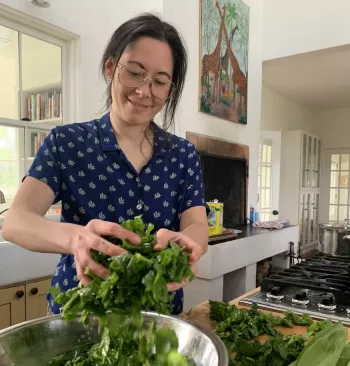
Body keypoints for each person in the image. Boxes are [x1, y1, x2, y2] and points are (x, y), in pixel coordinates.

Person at [2, 14, 208, 316]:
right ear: (111, 67)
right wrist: (77, 237)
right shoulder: (67, 143)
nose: (144, 91)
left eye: (160, 82)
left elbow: (197, 224)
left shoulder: (183, 154)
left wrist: (186, 243)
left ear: (170, 89)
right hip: (80, 313)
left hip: (159, 316)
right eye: (135, 73)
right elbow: (16, 221)